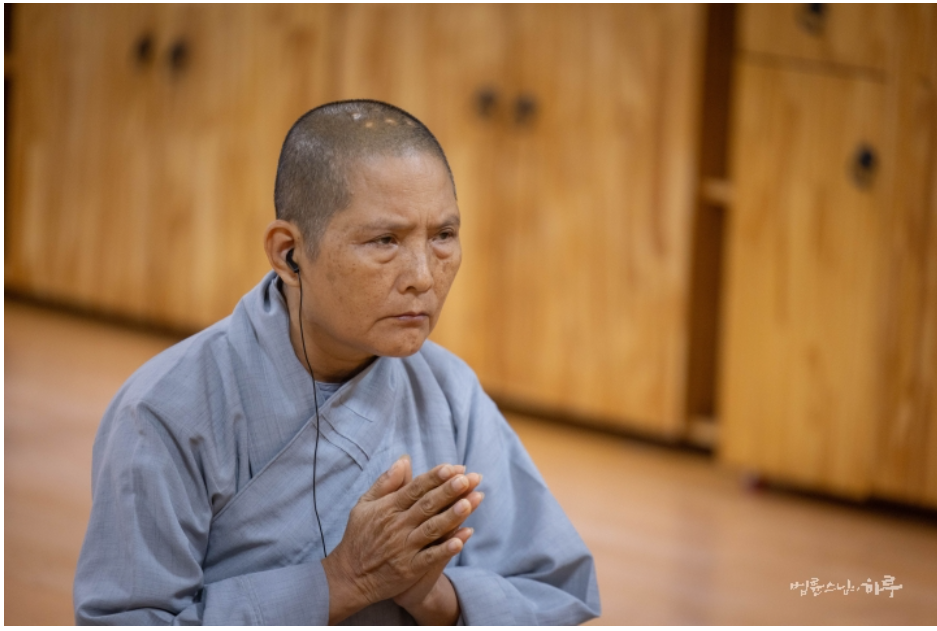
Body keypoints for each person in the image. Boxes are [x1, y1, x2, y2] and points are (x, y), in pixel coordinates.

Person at [73, 100, 601, 625]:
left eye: (443, 236)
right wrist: (341, 581)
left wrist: (436, 597)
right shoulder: (166, 412)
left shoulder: (448, 390)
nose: (423, 275)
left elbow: (554, 591)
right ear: (289, 254)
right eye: (385, 240)